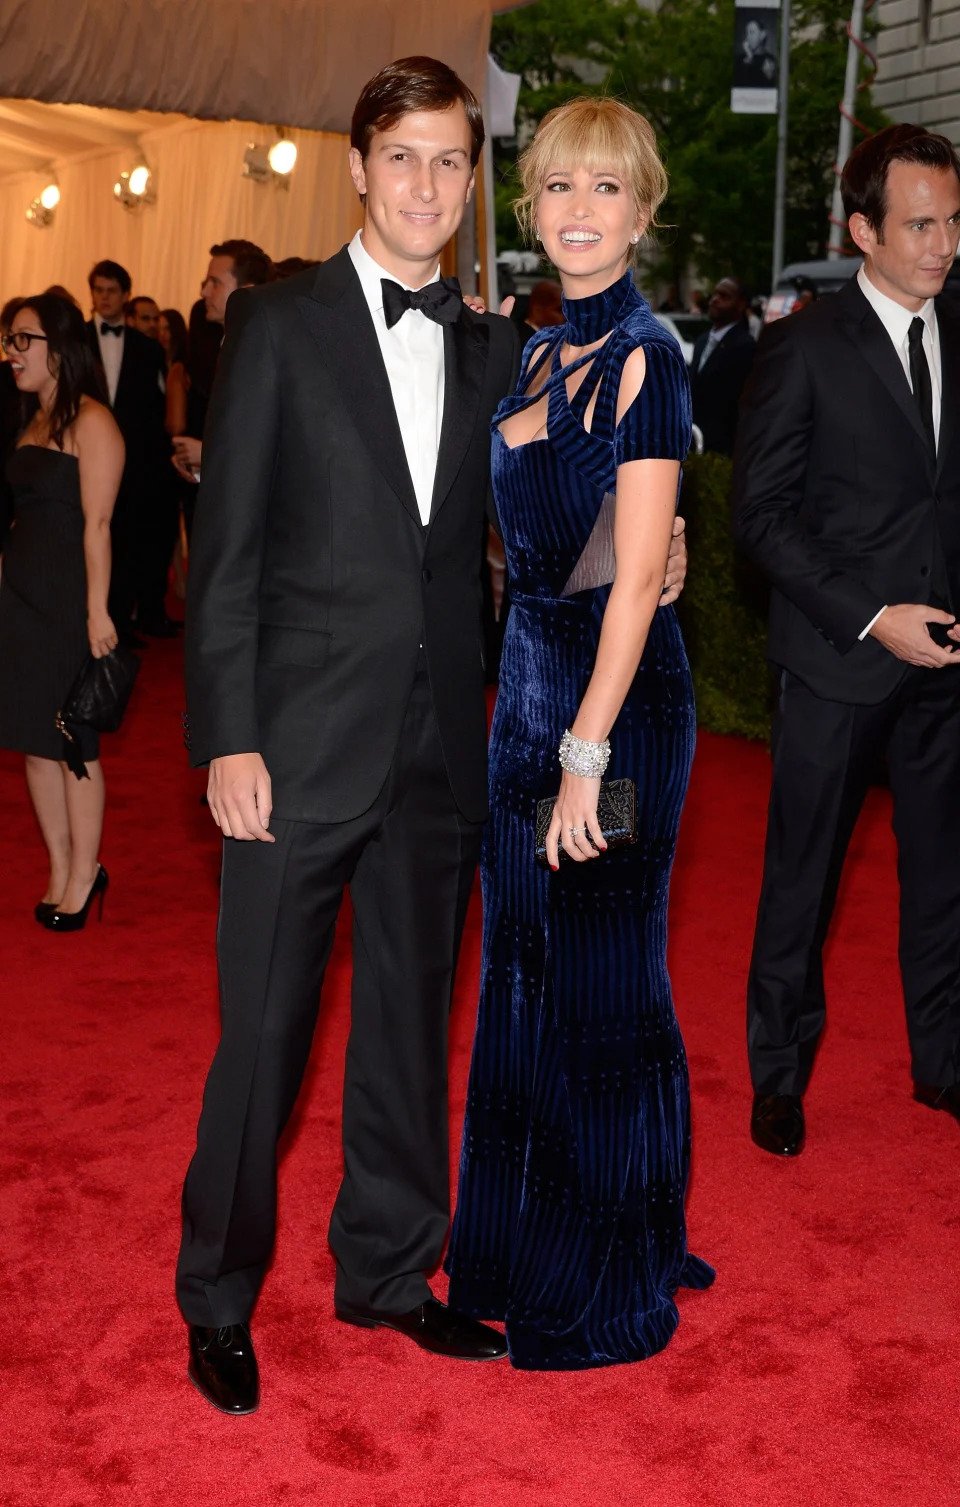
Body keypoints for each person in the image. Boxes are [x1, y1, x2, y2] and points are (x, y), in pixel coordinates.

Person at [445, 95, 714, 1370]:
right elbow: (542, 543)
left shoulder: (652, 358)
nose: (579, 213)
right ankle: (517, 1242)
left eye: (607, 190)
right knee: (524, 977)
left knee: (605, 983)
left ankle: (611, 1265)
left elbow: (635, 572)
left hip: (614, 706)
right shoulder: (541, 354)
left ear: (644, 212)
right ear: (533, 205)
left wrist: (587, 754)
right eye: (559, 188)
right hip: (529, 687)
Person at [734, 123, 960, 1158]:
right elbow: (762, 517)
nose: (944, 244)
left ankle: (944, 1062)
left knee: (946, 875)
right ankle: (778, 1075)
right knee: (804, 878)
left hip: (950, 666)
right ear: (863, 228)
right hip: (838, 662)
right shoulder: (802, 346)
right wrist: (875, 618)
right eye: (921, 224)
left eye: (954, 221)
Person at [0, 293, 124, 929]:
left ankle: (86, 873)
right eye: (9, 341)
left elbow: (97, 525)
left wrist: (97, 613)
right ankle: (58, 865)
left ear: (59, 347)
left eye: (24, 340)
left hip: (67, 609)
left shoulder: (93, 422)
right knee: (33, 742)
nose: (12, 353)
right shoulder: (29, 422)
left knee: (72, 743)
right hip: (19, 606)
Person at [85, 260, 175, 641]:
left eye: (111, 291)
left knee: (131, 540)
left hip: (136, 464)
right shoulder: (77, 341)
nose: (104, 298)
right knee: (95, 538)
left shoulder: (148, 349)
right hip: (87, 457)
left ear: (125, 295)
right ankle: (98, 620)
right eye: (98, 290)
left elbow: (157, 411)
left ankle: (124, 622)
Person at [171, 240, 272, 484]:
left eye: (214, 283)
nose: (203, 292)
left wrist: (206, 453)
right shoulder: (228, 343)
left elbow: (267, 439)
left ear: (245, 292)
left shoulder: (261, 352)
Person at [689, 276, 755, 454]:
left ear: (741, 305)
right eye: (715, 294)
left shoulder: (745, 346)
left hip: (723, 450)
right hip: (694, 443)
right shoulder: (702, 341)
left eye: (724, 296)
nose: (715, 300)